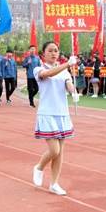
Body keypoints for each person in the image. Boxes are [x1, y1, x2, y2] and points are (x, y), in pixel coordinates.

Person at [31, 41, 79, 196]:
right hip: (47, 113)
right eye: (50, 50)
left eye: (56, 51)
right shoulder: (39, 69)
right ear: (43, 54)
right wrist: (67, 64)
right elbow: (48, 74)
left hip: (62, 113)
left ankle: (54, 183)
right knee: (54, 150)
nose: (54, 53)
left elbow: (68, 83)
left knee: (60, 152)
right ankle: (39, 167)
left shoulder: (64, 71)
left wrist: (73, 92)